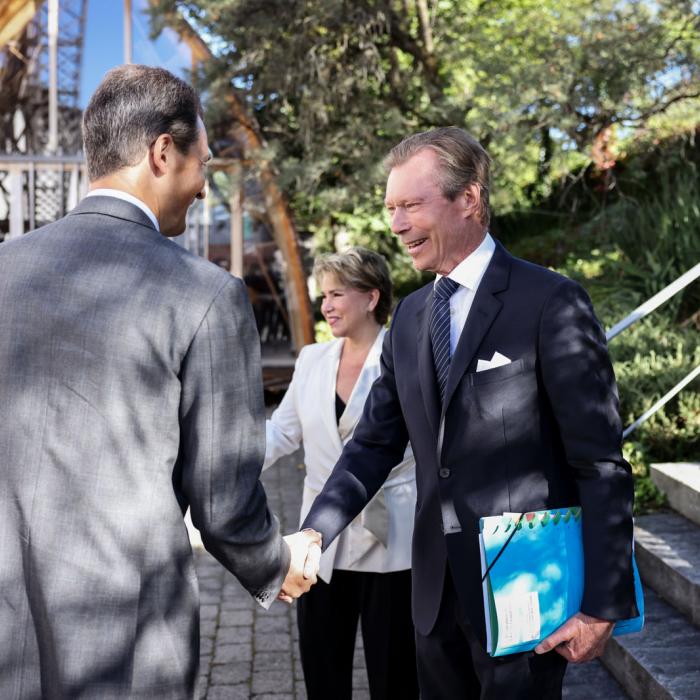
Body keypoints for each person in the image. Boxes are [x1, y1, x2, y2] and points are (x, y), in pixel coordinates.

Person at [0, 64, 320, 700]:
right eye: (203, 162)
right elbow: (222, 496)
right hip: (126, 639)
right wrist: (275, 563)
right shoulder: (205, 296)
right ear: (162, 152)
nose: (204, 187)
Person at [300, 127, 638, 699]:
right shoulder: (408, 318)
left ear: (469, 199)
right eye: (391, 208)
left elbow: (599, 462)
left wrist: (603, 605)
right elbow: (375, 442)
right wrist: (315, 532)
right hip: (433, 595)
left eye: (411, 205)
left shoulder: (550, 301)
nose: (397, 224)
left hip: (524, 595)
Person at [264, 248, 419, 700]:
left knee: (395, 675)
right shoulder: (311, 359)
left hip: (393, 542)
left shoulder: (404, 354)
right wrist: (225, 465)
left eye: (337, 294)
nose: (326, 306)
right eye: (323, 296)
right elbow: (280, 432)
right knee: (322, 668)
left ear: (372, 298)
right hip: (320, 544)